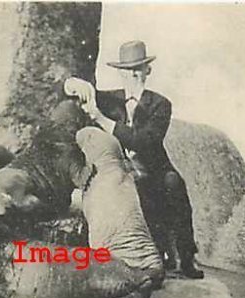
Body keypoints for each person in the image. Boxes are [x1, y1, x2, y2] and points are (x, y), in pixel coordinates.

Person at [64, 40, 205, 279]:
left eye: (138, 68)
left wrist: (102, 119)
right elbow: (72, 91)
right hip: (122, 169)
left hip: (153, 167)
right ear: (120, 72)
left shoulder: (160, 104)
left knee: (174, 184)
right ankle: (145, 256)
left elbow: (145, 141)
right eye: (128, 69)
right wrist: (73, 83)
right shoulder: (109, 99)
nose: (133, 74)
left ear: (147, 71)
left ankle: (186, 257)